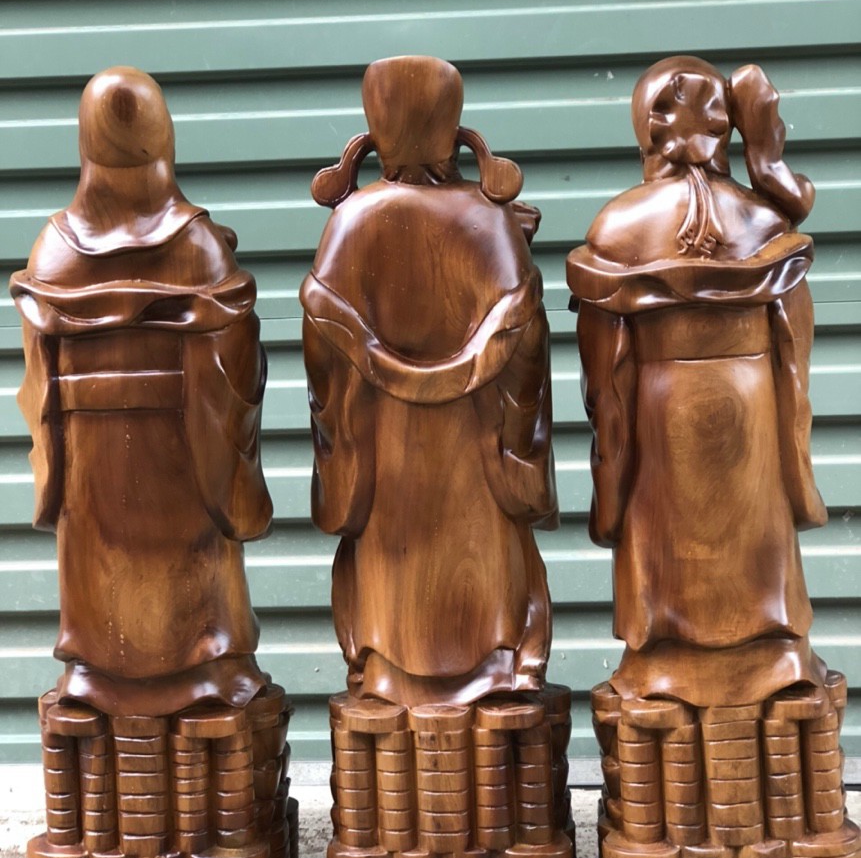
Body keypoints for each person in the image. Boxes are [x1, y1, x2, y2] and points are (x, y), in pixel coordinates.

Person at [11, 67, 272, 716]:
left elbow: (39, 366)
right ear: (164, 140)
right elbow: (233, 369)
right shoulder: (198, 246)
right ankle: (206, 661)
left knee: (98, 565)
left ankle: (98, 669)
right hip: (183, 449)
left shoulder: (54, 251)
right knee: (193, 579)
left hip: (91, 463)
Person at [567, 55, 827, 707]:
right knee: (757, 530)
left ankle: (662, 657)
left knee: (659, 535)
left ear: (645, 125)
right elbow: (793, 349)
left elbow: (603, 369)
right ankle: (771, 648)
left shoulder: (618, 227)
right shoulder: (762, 222)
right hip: (751, 393)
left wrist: (609, 442)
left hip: (657, 401)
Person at [302, 55, 558, 706]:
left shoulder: (351, 220)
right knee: (487, 563)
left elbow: (322, 357)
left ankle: (383, 664)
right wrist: (520, 431)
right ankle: (499, 660)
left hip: (385, 453)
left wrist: (340, 421)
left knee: (391, 567)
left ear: (375, 124)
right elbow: (526, 349)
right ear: (452, 122)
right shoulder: (489, 220)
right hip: (475, 450)